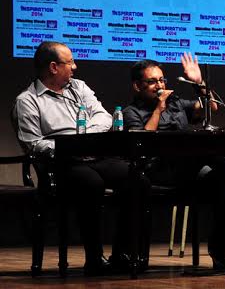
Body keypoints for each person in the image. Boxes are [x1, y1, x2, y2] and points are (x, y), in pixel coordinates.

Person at [122, 54, 225, 271]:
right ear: (137, 86)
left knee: (221, 181)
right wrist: (158, 110)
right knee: (206, 153)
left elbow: (210, 108)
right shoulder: (130, 112)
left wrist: (199, 84)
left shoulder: (175, 103)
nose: (160, 85)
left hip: (186, 170)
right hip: (156, 173)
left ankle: (222, 258)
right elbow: (142, 143)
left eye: (162, 80)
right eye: (152, 81)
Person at [14, 41, 149, 275]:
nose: (75, 67)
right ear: (54, 67)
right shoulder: (27, 100)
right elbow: (33, 143)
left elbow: (104, 117)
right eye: (70, 62)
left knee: (137, 179)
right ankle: (94, 258)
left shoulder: (79, 87)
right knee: (91, 184)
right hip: (60, 163)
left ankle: (122, 254)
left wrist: (83, 138)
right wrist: (68, 146)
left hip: (92, 155)